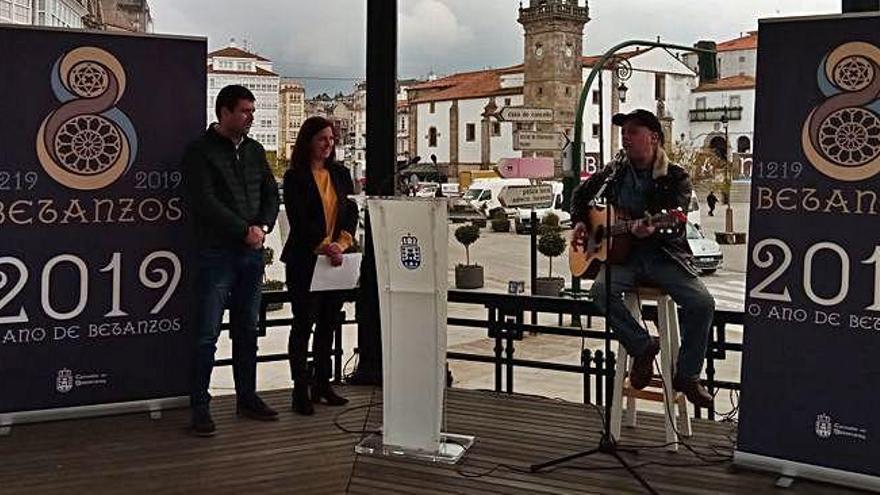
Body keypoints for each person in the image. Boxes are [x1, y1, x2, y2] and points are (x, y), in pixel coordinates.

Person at [571, 109, 715, 408]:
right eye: (623, 133)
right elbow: (580, 195)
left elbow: (676, 222)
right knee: (599, 291)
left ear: (653, 137)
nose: (625, 138)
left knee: (702, 303)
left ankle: (687, 374)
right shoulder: (615, 171)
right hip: (623, 257)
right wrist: (582, 222)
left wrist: (651, 230)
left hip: (662, 256)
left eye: (632, 132)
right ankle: (642, 346)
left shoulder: (675, 177)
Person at [183, 84, 281, 436]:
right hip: (217, 253)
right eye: (244, 111)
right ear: (223, 112)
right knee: (206, 333)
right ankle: (199, 407)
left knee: (247, 329)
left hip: (251, 255)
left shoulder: (255, 151)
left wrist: (264, 225)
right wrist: (244, 230)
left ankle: (247, 397)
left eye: (253, 111)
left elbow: (270, 192)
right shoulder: (199, 151)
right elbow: (205, 202)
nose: (250, 117)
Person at [281, 116, 358, 415]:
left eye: (331, 139)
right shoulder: (295, 177)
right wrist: (325, 245)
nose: (328, 144)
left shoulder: (339, 173)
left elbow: (349, 211)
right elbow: (299, 220)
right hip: (306, 260)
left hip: (336, 260)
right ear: (308, 141)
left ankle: (323, 384)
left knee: (328, 323)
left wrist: (341, 243)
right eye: (322, 139)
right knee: (303, 325)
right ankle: (300, 389)